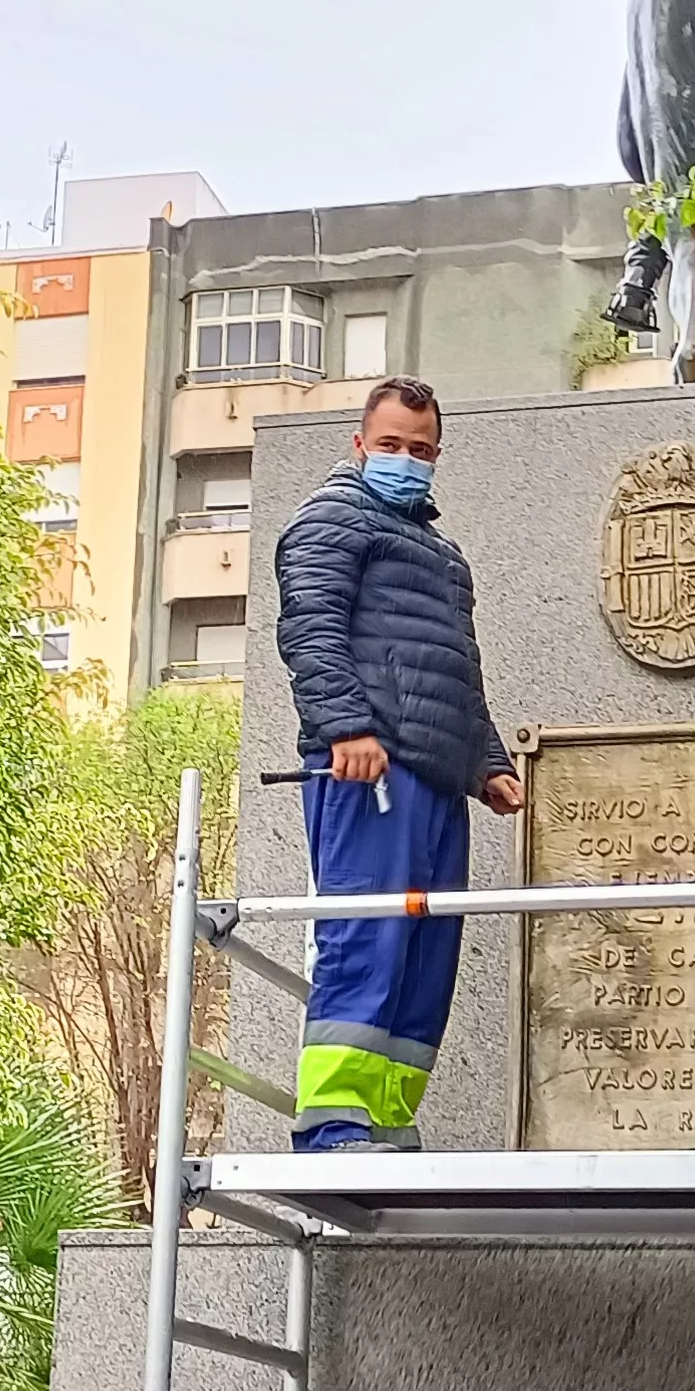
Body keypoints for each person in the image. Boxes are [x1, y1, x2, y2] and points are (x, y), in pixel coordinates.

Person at [274, 376, 525, 1153]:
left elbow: (457, 668)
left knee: (423, 957)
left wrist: (487, 761)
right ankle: (333, 1119)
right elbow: (309, 629)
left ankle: (383, 1117)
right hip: (368, 772)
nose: (405, 460)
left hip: (436, 780)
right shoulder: (331, 518)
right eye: (390, 445)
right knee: (368, 936)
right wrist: (345, 726)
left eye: (420, 450)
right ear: (359, 444)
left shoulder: (443, 555)